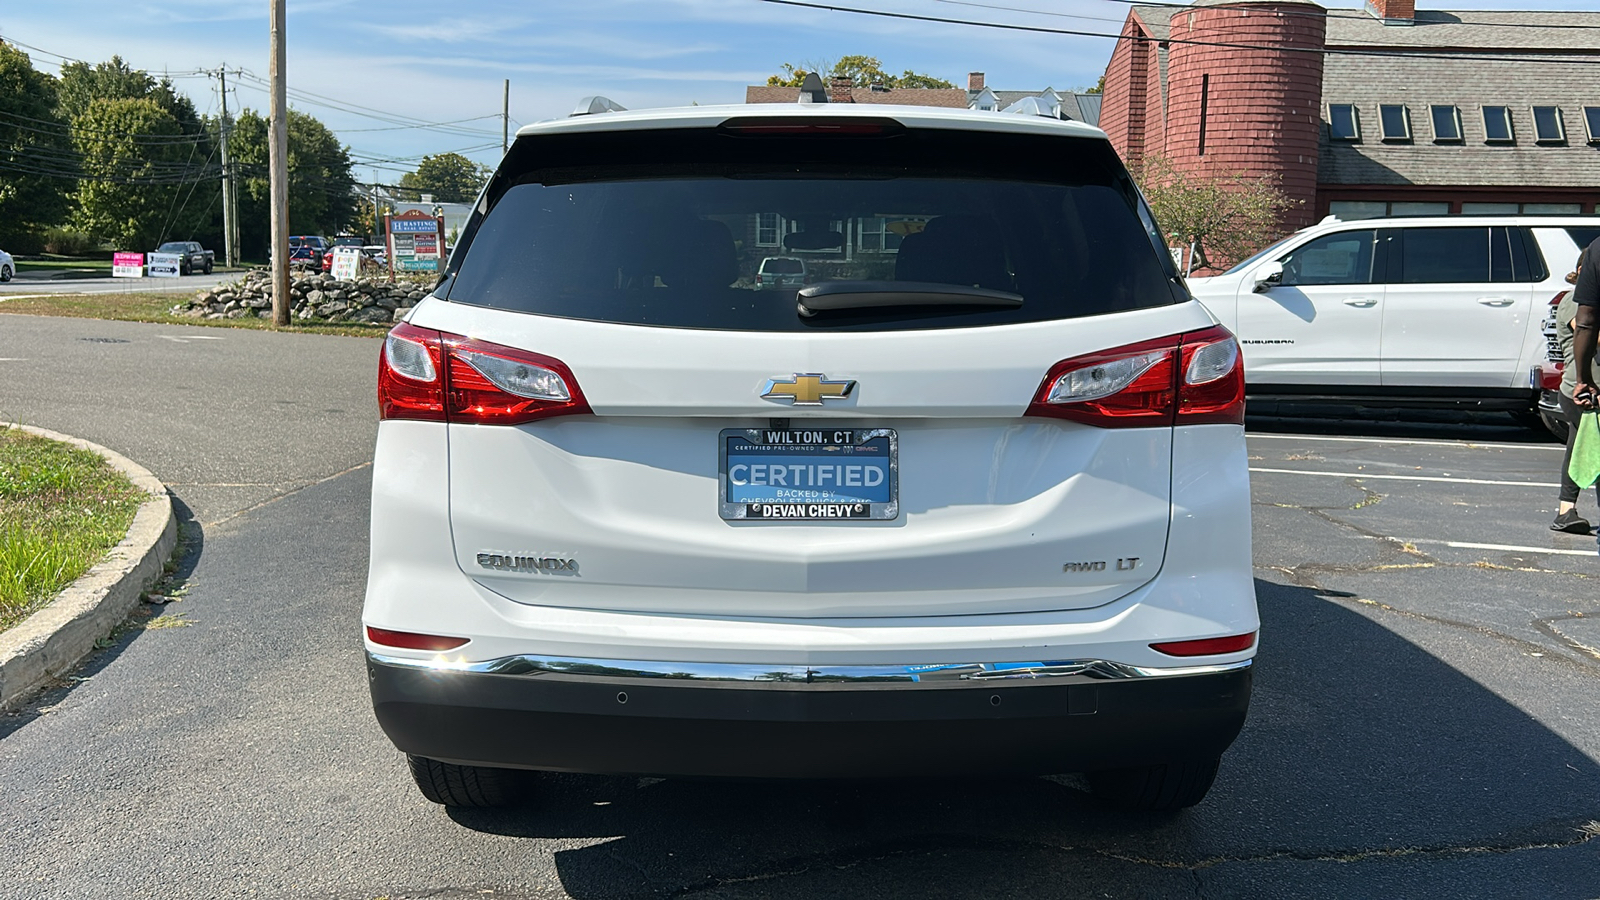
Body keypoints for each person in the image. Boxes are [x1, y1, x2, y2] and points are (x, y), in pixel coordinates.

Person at [1552, 248, 1591, 531]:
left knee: (1579, 448)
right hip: (1578, 389)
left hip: (1590, 390)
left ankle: (1566, 511)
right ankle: (1565, 511)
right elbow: (1588, 332)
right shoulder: (1571, 301)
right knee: (1591, 448)